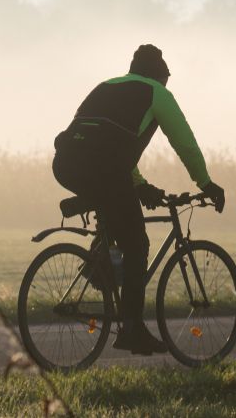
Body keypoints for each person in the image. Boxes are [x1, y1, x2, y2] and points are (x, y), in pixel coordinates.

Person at [51, 44, 225, 355]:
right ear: (160, 75)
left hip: (66, 164)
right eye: (166, 79)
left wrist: (140, 185)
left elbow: (112, 145)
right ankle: (132, 329)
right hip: (102, 169)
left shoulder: (107, 85)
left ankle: (101, 264)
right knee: (137, 243)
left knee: (116, 218)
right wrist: (206, 183)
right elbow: (185, 142)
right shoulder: (157, 93)